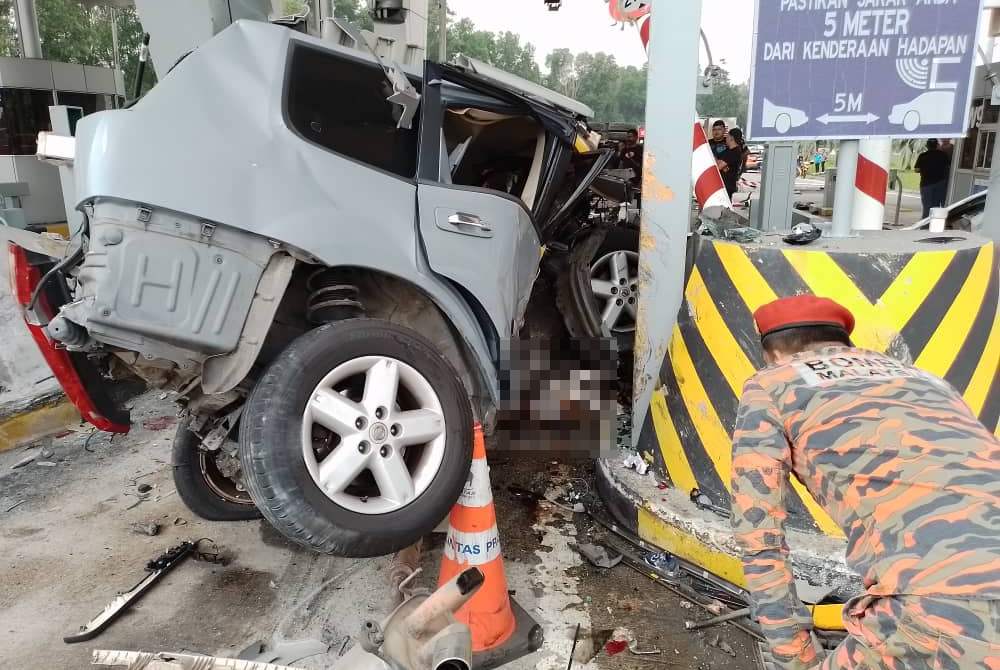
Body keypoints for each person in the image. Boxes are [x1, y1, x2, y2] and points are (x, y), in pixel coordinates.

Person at [732, 294, 999, 670]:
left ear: (773, 353)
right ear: (843, 341)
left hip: (943, 606)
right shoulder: (928, 380)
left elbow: (759, 535)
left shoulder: (772, 384)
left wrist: (797, 661)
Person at [914, 139, 950, 218]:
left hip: (926, 184)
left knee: (927, 207)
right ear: (937, 145)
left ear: (927, 146)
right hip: (940, 183)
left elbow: (916, 169)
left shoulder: (923, 155)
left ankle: (924, 226)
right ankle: (934, 224)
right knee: (936, 206)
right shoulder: (943, 155)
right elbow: (947, 168)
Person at [716, 128, 746, 198]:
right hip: (723, 186)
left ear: (731, 138)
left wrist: (720, 163)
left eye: (727, 136)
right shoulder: (728, 151)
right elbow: (718, 162)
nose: (726, 138)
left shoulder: (735, 152)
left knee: (723, 207)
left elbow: (718, 166)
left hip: (727, 186)